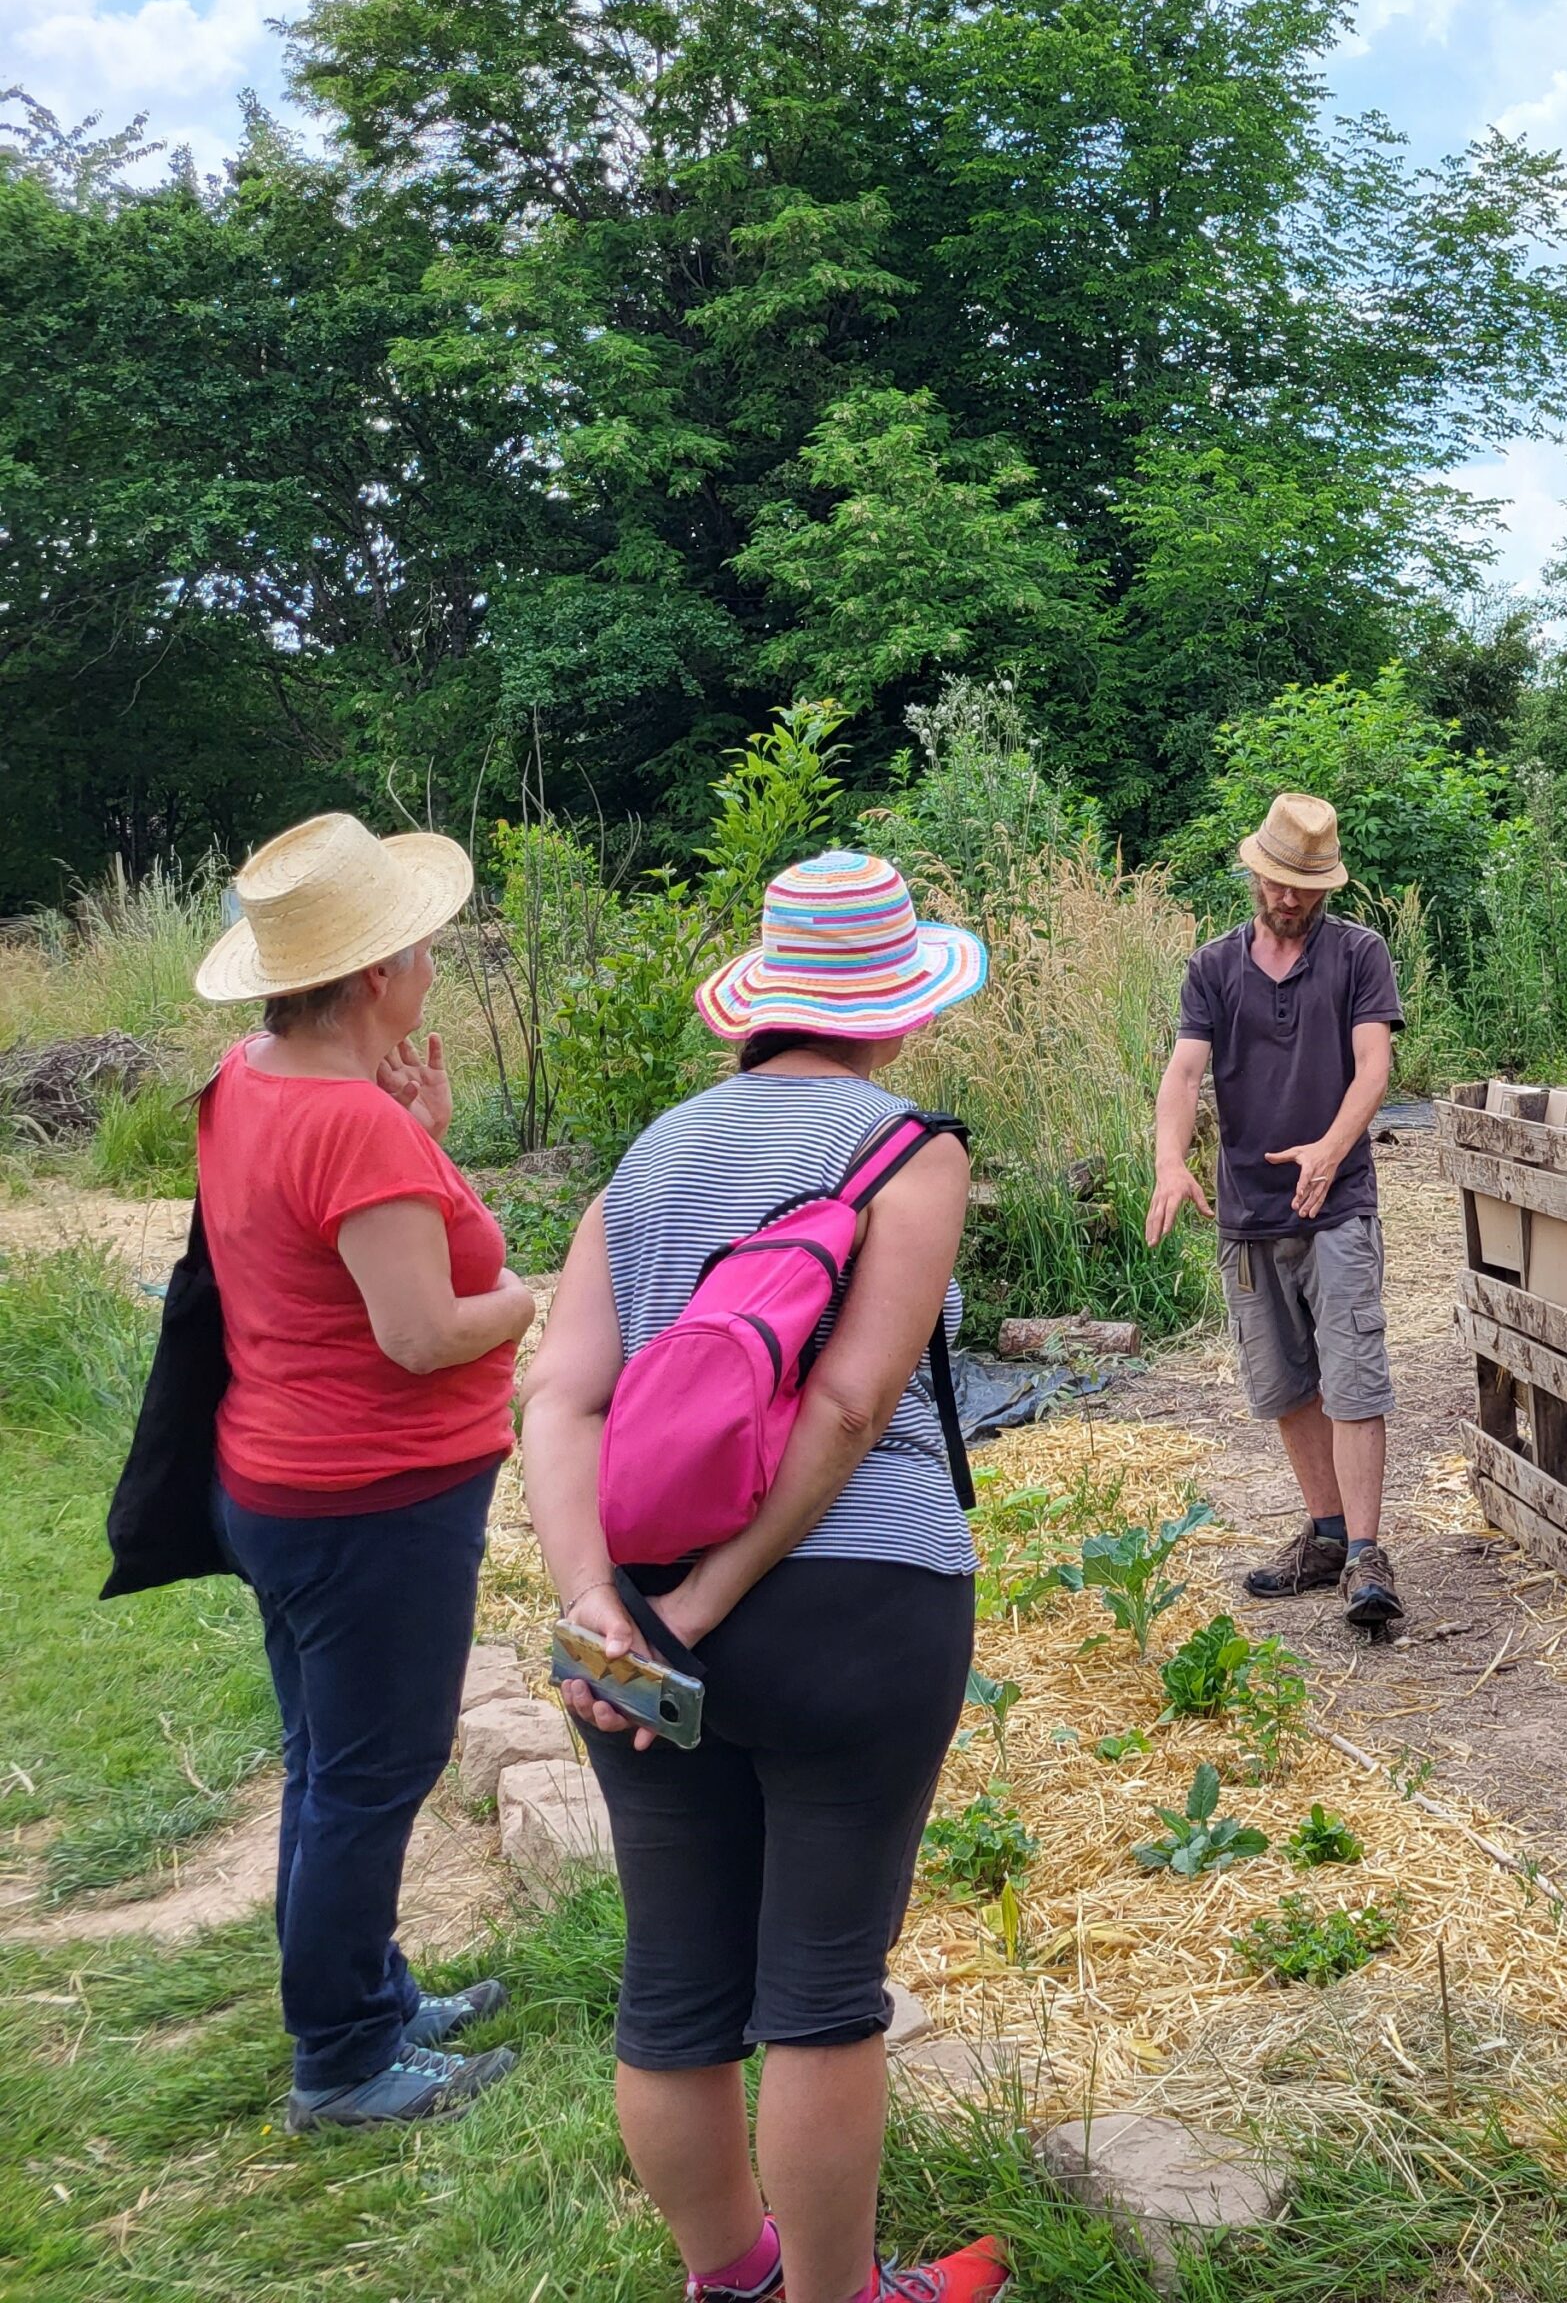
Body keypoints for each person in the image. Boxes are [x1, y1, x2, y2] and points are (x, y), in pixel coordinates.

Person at [520, 852, 1010, 2303]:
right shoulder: (912, 1150)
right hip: (858, 1609)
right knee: (819, 1991)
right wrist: (709, 1603)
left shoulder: (650, 1155)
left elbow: (558, 1397)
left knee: (674, 1987)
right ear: (898, 1011)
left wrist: (599, 1605)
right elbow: (854, 1407)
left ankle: (730, 2277)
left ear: (761, 1006)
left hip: (634, 1604)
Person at [191, 811, 536, 2130]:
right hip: (372, 1498)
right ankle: (342, 2057)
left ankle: (368, 1996)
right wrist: (523, 1298)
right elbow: (418, 1331)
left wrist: (426, 1137)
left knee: (328, 1761)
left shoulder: (249, 1078)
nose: (433, 959)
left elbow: (338, 1261)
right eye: (420, 944)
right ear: (379, 975)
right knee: (371, 1773)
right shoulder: (353, 1126)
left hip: (283, 1482)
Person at [1146, 792, 1406, 1629]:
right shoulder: (1212, 967)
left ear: (1325, 885)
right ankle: (1325, 1535)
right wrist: (1168, 1162)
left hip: (1338, 1205)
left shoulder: (1358, 955)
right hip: (1248, 1209)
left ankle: (1367, 1556)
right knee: (1285, 1381)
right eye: (1278, 882)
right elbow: (1185, 1073)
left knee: (1353, 1376)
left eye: (1306, 886)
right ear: (1254, 874)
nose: (1290, 898)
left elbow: (1373, 1067)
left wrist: (1331, 1149)